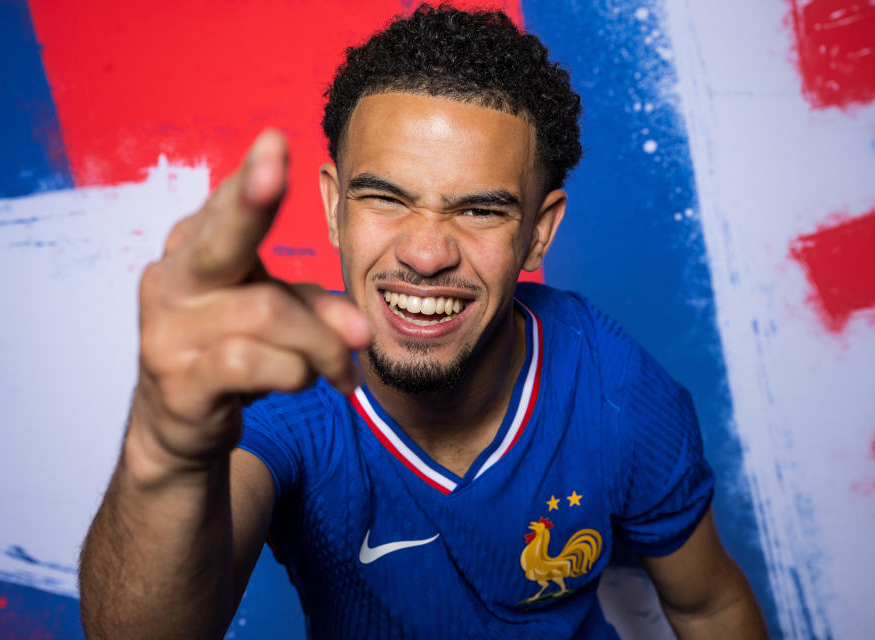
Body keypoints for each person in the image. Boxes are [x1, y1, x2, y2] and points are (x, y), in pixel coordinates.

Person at [79, 4, 768, 638]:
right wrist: (164, 452)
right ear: (334, 206)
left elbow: (707, 602)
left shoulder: (616, 391)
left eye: (478, 210)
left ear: (538, 232)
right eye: (385, 198)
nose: (426, 252)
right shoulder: (279, 394)